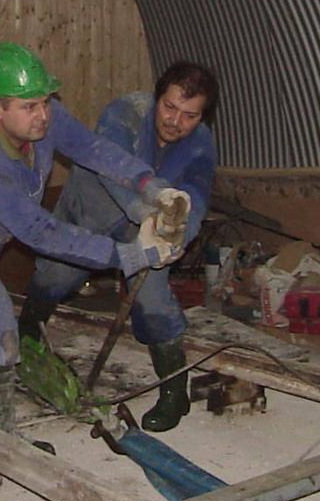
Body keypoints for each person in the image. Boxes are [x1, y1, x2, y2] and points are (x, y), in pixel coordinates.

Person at [0, 42, 189, 437]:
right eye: (29, 106)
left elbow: (91, 148)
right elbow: (41, 233)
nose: (43, 114)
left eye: (45, 102)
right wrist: (130, 254)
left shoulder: (39, 119)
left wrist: (151, 186)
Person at [18, 62, 219, 432]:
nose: (176, 121)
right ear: (157, 96)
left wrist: (180, 234)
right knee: (53, 278)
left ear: (203, 116)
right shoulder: (124, 113)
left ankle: (175, 390)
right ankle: (26, 342)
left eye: (190, 116)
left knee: (156, 301)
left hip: (146, 229)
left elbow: (197, 194)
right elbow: (114, 171)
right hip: (89, 214)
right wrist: (146, 211)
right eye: (169, 107)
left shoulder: (201, 143)